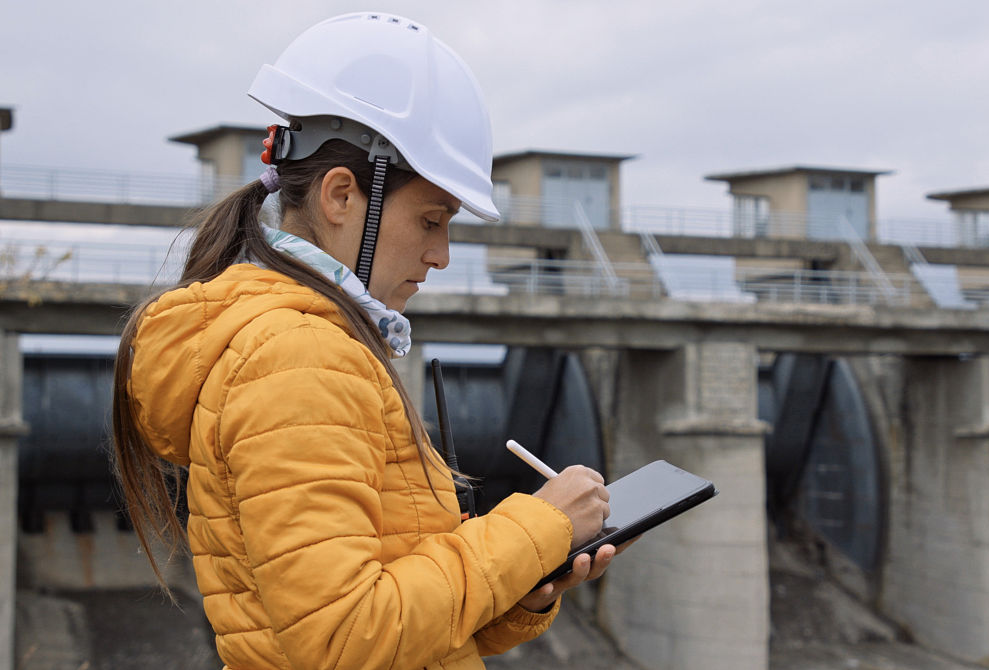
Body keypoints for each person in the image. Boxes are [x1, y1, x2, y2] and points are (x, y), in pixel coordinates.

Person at [110, 12, 618, 670]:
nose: (440, 255)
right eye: (431, 220)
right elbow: (345, 638)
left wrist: (529, 577)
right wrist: (539, 526)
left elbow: (402, 620)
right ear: (343, 196)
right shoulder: (296, 360)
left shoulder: (311, 344)